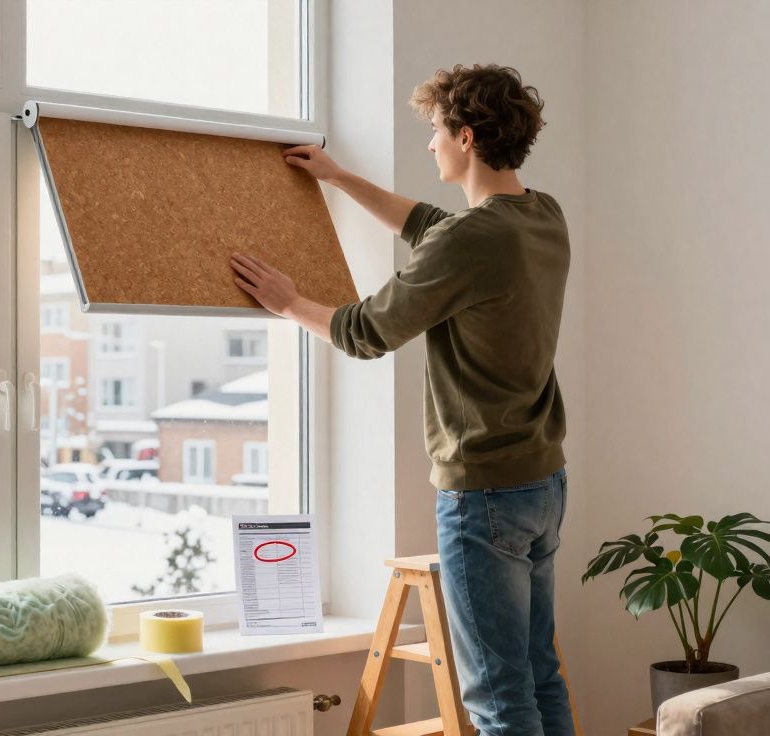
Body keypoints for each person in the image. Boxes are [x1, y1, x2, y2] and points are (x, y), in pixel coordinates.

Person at [230, 63, 573, 736]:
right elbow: (431, 226)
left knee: (499, 701)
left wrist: (287, 302)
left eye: (437, 131)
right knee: (537, 675)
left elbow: (364, 333)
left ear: (466, 137)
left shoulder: (469, 242)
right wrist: (337, 178)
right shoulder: (541, 216)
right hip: (542, 481)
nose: (430, 145)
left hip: (484, 494)